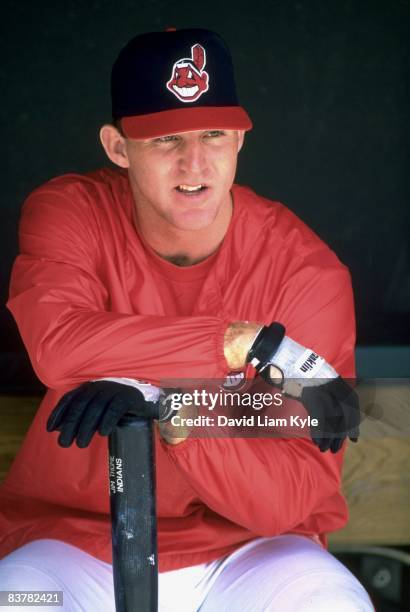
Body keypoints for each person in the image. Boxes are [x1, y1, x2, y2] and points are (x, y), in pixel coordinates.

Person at [0, 28, 373, 611]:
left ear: (241, 138)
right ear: (118, 147)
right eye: (165, 138)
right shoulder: (70, 212)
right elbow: (59, 346)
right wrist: (239, 344)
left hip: (254, 553)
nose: (194, 162)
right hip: (70, 545)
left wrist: (177, 410)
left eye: (215, 134)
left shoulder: (305, 271)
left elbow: (286, 499)